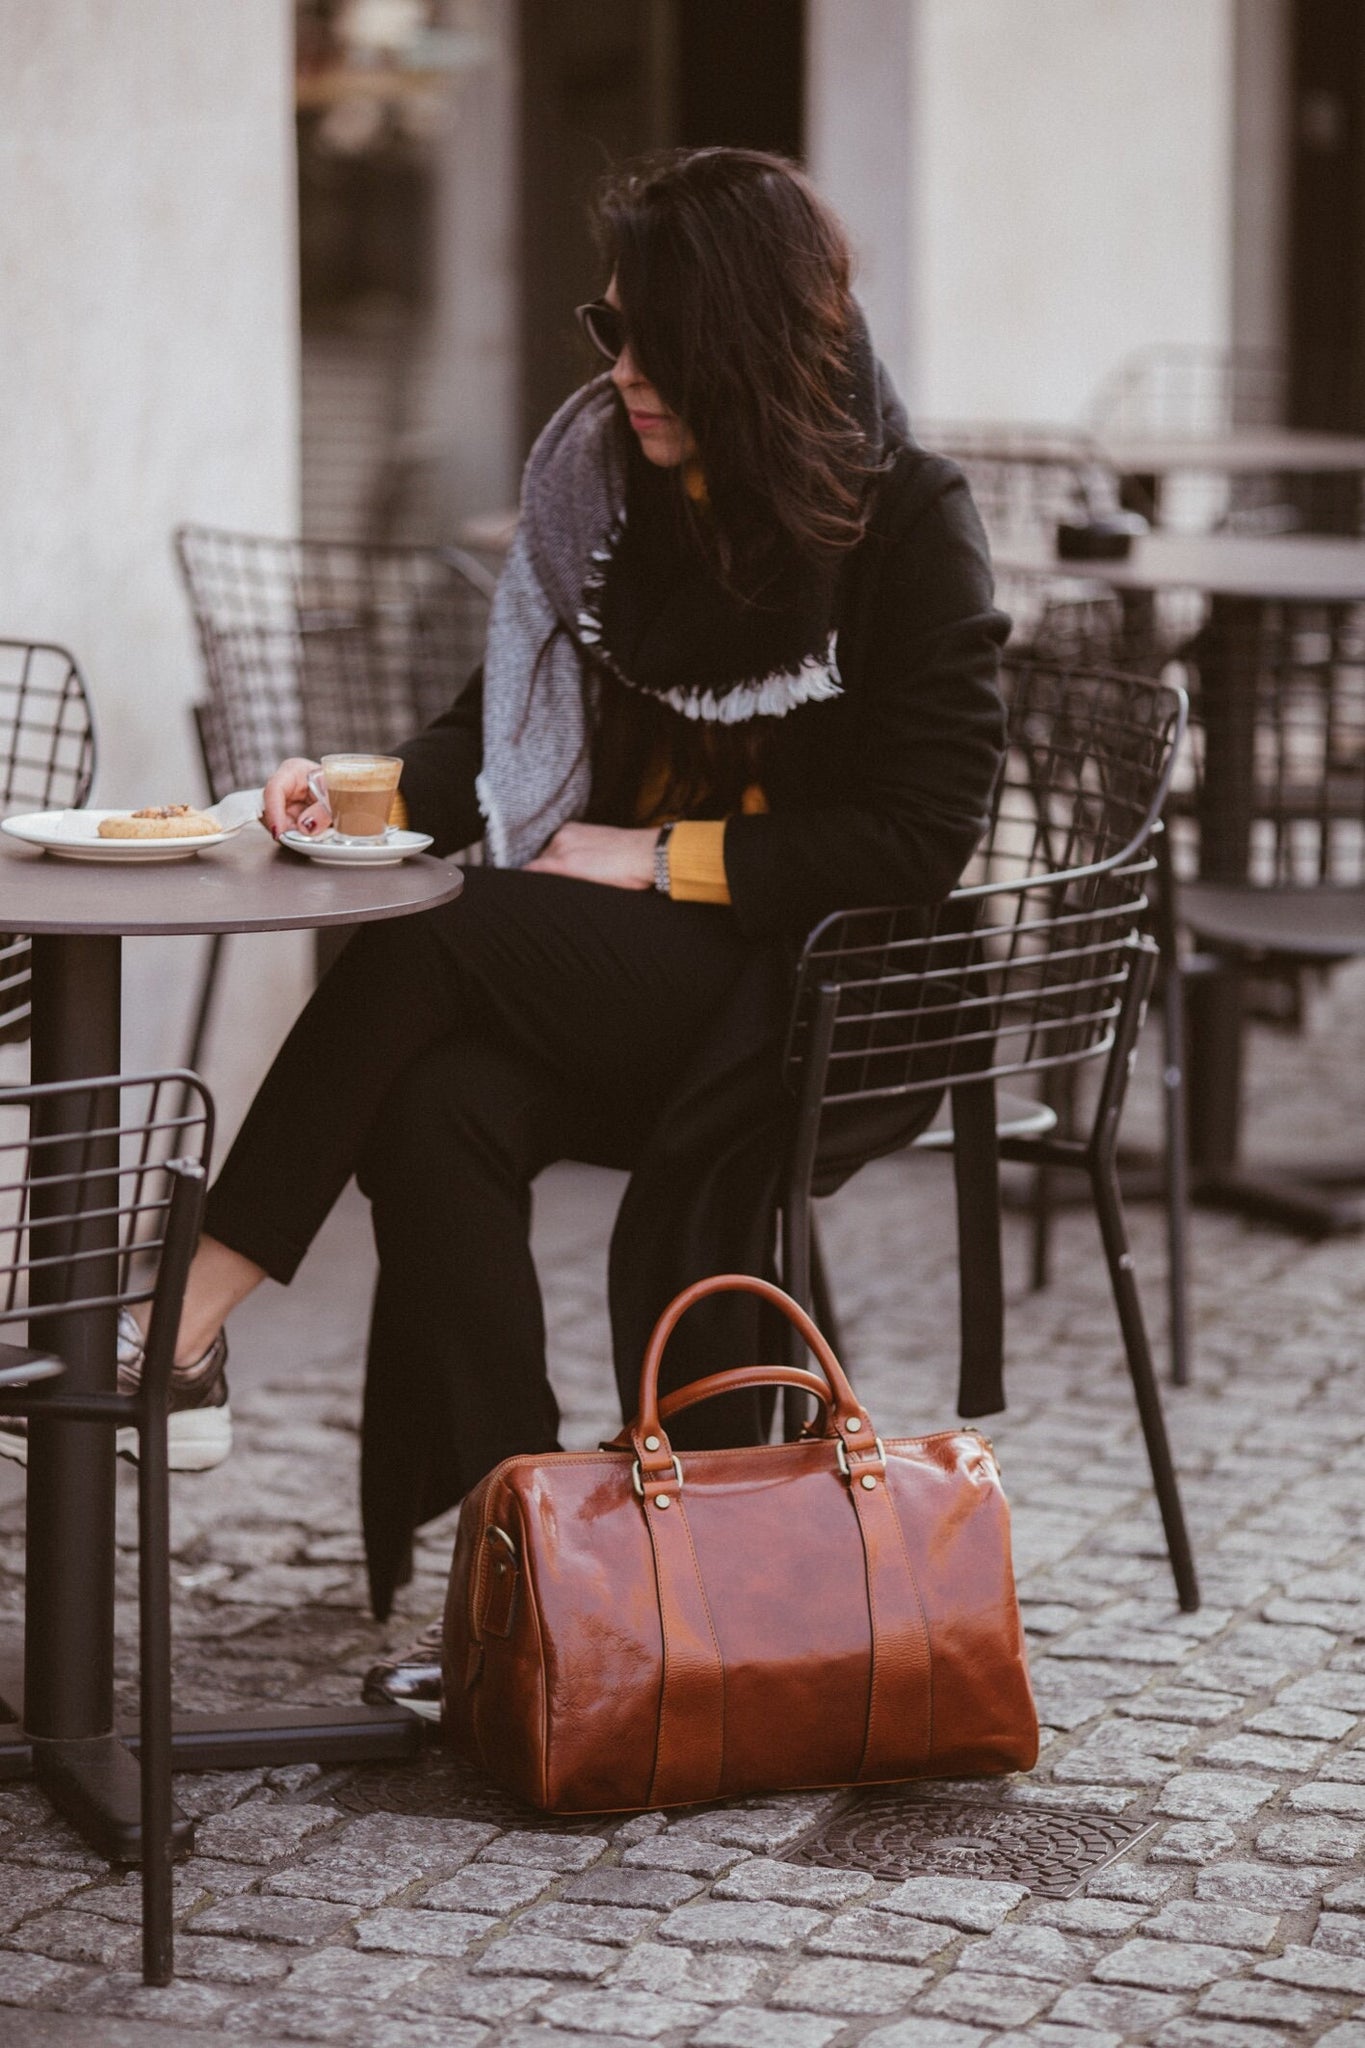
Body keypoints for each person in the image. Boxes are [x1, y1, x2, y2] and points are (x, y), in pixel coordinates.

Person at [43, 149, 1009, 1712]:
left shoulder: (907, 519)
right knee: (433, 1108)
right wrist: (358, 798)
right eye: (606, 330)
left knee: (433, 943)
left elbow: (918, 836)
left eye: (657, 345)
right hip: (650, 986)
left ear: (753, 350)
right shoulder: (605, 490)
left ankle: (182, 1319)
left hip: (825, 995)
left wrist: (659, 857)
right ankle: (534, 1580)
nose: (619, 375)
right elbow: (500, 730)